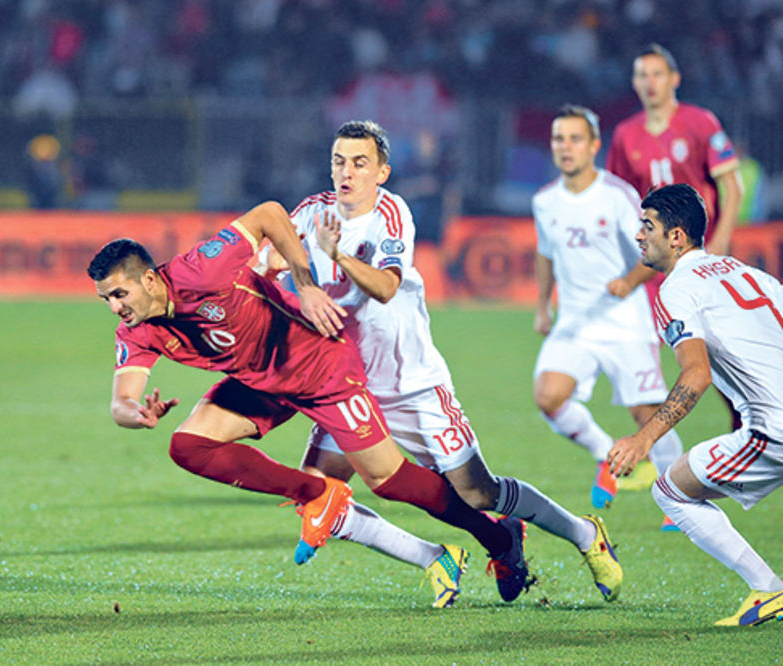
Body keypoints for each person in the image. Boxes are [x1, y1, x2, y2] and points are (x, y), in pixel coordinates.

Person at [87, 200, 528, 608]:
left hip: (320, 366)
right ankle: (317, 494)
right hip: (259, 383)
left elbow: (270, 214)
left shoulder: (201, 269)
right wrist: (136, 413)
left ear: (147, 279)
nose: (114, 308)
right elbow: (120, 401)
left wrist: (305, 284)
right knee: (188, 446)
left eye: (119, 294)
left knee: (389, 480)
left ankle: (499, 538)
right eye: (106, 299)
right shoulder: (135, 329)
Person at [263, 119, 622, 605]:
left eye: (359, 163)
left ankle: (583, 534)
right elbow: (265, 263)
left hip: (413, 384)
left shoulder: (391, 214)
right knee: (316, 493)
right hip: (348, 386)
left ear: (382, 172)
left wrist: (339, 257)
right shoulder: (308, 213)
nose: (346, 173)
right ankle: (435, 556)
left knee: (480, 492)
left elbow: (387, 288)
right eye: (338, 162)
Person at [608, 183, 783, 627]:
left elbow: (696, 374)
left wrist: (643, 439)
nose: (638, 235)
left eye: (648, 225)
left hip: (774, 429)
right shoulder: (749, 274)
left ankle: (769, 590)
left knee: (670, 491)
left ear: (677, 237)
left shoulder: (676, 291)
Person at [532, 105, 683, 527]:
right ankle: (607, 454)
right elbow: (545, 253)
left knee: (647, 412)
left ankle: (680, 494)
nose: (566, 147)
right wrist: (544, 305)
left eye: (575, 138)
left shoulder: (616, 196)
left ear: (594, 145)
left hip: (623, 322)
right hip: (575, 324)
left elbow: (653, 249)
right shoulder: (545, 201)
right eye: (559, 138)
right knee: (548, 396)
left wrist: (630, 280)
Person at [606, 42, 744, 432]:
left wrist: (720, 242)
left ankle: (741, 420)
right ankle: (650, 446)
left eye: (657, 74)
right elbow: (622, 200)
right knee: (639, 350)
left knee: (715, 347)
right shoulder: (625, 135)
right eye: (642, 75)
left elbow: (731, 186)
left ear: (674, 79)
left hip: (699, 257)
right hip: (654, 262)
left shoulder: (701, 123)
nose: (650, 82)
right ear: (634, 82)